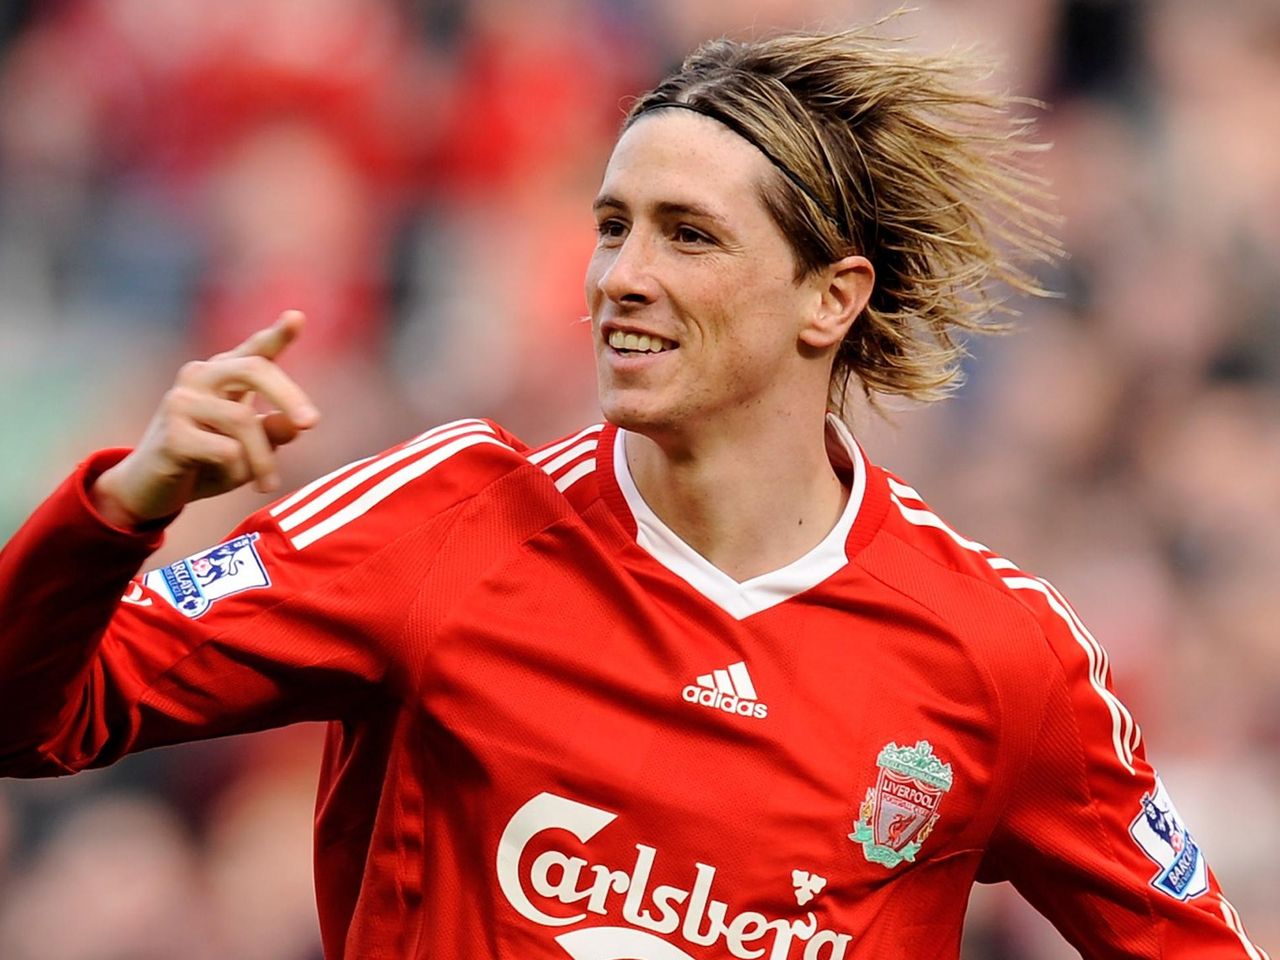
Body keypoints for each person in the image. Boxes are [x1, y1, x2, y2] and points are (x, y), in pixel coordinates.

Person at [0, 26, 1269, 960]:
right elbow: (29, 723)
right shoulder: (443, 522)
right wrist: (126, 506)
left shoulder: (997, 654)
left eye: (687, 234)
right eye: (612, 225)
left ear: (830, 298)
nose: (618, 274)